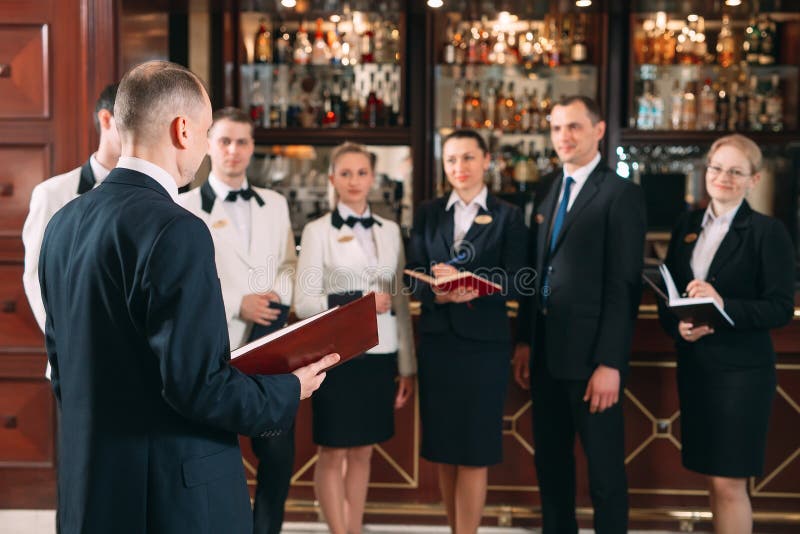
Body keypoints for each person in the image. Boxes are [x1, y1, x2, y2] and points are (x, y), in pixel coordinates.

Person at [38, 60, 338, 534]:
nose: (203, 149)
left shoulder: (65, 222)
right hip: (165, 497)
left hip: (88, 489)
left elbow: (62, 365)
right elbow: (197, 386)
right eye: (205, 133)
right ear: (183, 130)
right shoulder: (178, 228)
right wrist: (289, 388)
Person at [512, 95, 646, 534]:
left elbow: (623, 285)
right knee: (552, 470)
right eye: (556, 128)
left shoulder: (620, 194)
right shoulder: (548, 190)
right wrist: (526, 341)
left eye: (574, 127)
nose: (563, 137)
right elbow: (537, 272)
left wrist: (610, 363)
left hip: (593, 363)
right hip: (547, 357)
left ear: (599, 130)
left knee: (605, 474)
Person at [657, 134, 794, 534]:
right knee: (711, 479)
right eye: (717, 169)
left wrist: (722, 304)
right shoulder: (686, 226)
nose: (723, 178)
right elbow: (671, 294)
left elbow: (780, 308)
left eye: (736, 171)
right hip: (697, 369)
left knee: (729, 481)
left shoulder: (768, 233)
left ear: (753, 179)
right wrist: (679, 326)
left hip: (742, 375)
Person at [178, 107, 298, 534]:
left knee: (279, 454)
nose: (233, 150)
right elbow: (180, 278)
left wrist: (275, 297)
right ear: (208, 144)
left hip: (269, 345)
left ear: (252, 148)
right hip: (212, 344)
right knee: (212, 452)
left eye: (242, 141)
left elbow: (288, 264)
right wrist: (236, 303)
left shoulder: (276, 204)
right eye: (224, 140)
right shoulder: (182, 203)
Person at [406, 129, 528, 534]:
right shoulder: (428, 212)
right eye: (452, 159)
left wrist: (470, 280)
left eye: (468, 158)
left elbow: (517, 278)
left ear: (487, 160)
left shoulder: (509, 215)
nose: (460, 167)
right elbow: (412, 276)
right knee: (445, 449)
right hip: (439, 343)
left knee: (474, 452)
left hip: (484, 347)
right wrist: (436, 294)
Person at [294, 142, 415, 534]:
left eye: (361, 173)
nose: (354, 181)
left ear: (373, 178)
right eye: (345, 173)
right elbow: (303, 302)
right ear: (332, 179)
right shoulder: (316, 231)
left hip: (381, 354)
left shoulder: (392, 231)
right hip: (336, 356)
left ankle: (355, 527)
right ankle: (338, 530)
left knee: (363, 450)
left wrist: (405, 368)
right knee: (332, 451)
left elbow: (398, 302)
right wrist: (357, 302)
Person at [22, 83, 121, 366]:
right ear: (106, 119)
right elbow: (35, 277)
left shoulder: (155, 197)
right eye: (130, 120)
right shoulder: (52, 193)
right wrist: (66, 341)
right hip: (72, 356)